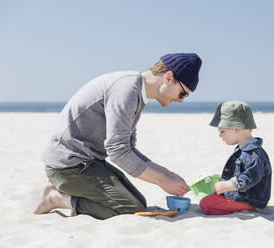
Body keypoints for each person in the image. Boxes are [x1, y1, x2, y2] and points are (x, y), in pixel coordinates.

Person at [34, 53, 202, 219]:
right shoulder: (126, 90)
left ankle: (64, 189)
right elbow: (118, 151)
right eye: (183, 93)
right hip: (68, 165)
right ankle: (56, 198)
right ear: (169, 77)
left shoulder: (136, 91)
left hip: (88, 161)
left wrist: (167, 174)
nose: (181, 100)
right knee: (129, 208)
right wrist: (162, 180)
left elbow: (128, 147)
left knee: (138, 202)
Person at [200, 101, 272, 215]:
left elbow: (250, 177)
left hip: (249, 200)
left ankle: (247, 208)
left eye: (223, 131)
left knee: (205, 204)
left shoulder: (253, 153)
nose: (220, 135)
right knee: (211, 197)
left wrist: (228, 185)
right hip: (242, 195)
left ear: (237, 128)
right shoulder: (243, 148)